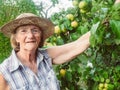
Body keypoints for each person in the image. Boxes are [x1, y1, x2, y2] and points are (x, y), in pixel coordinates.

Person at [0, 12, 90, 90]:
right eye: (23, 31)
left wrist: (99, 27)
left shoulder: (46, 56)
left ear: (40, 37)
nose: (30, 35)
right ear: (16, 38)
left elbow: (77, 46)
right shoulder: (5, 72)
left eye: (35, 30)